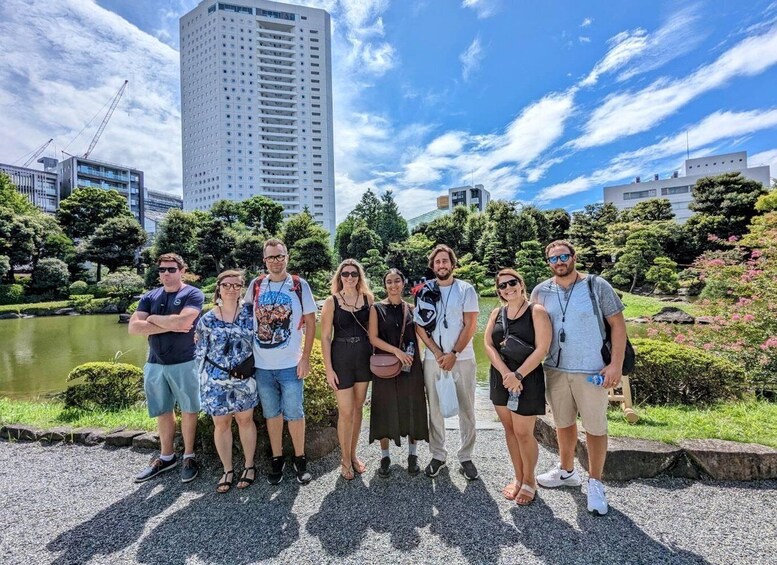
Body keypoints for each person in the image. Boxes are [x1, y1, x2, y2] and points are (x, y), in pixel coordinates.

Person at [530, 240, 627, 516]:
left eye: (563, 256)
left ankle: (595, 481)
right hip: (556, 368)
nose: (559, 262)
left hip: (592, 370)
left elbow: (618, 325)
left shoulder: (597, 286)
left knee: (595, 427)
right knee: (563, 423)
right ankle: (566, 470)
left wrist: (615, 365)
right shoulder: (541, 291)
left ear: (573, 257)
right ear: (548, 262)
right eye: (553, 258)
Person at [244, 238, 317, 485]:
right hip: (262, 365)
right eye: (270, 257)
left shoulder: (298, 285)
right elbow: (242, 317)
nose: (276, 261)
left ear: (287, 257)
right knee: (271, 414)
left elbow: (311, 322)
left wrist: (305, 358)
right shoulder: (256, 286)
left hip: (290, 363)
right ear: (264, 260)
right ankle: (277, 458)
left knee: (295, 413)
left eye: (279, 256)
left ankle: (300, 457)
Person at [129, 253, 204, 484]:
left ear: (182, 271)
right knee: (163, 410)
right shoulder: (150, 296)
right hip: (155, 363)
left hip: (185, 361)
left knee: (190, 409)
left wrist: (152, 321)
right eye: (162, 270)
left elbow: (184, 323)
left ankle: (189, 455)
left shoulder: (192, 293)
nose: (166, 274)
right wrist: (166, 322)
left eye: (171, 269)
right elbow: (133, 328)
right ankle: (166, 455)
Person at [484, 269, 551, 506]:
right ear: (498, 291)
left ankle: (529, 481)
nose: (508, 288)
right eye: (502, 286)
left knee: (524, 433)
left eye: (512, 283)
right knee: (510, 431)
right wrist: (505, 373)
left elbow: (542, 349)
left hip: (527, 378)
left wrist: (518, 374)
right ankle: (518, 476)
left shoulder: (537, 311)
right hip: (501, 377)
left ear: (522, 284)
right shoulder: (497, 312)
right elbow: (488, 344)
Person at [416, 245, 480, 480]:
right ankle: (438, 454)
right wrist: (437, 352)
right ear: (432, 266)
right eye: (437, 262)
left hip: (462, 358)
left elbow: (471, 324)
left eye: (445, 261)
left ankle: (466, 456)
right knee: (434, 407)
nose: (441, 265)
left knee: (467, 407)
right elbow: (420, 326)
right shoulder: (424, 291)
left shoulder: (466, 289)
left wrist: (453, 352)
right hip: (433, 359)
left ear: (453, 264)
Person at [195, 270, 258, 493]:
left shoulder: (250, 314)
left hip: (244, 377)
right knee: (221, 424)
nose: (231, 289)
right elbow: (200, 352)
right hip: (215, 379)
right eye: (227, 285)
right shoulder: (208, 318)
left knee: (245, 420)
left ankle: (249, 466)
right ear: (218, 288)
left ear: (242, 288)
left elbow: (261, 342)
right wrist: (202, 381)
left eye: (236, 285)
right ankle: (228, 469)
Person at [368, 269, 429, 477]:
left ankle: (413, 455)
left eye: (397, 281)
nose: (393, 285)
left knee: (412, 407)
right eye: (389, 281)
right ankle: (385, 456)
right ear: (384, 285)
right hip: (385, 366)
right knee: (384, 409)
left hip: (410, 367)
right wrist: (396, 351)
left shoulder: (412, 308)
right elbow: (373, 338)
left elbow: (422, 335)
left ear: (403, 283)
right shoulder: (376, 309)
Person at [320, 259, 373, 480]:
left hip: (363, 357)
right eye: (345, 274)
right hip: (341, 358)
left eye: (353, 274)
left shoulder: (369, 299)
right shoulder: (331, 302)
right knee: (346, 412)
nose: (349, 278)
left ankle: (353, 454)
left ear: (359, 276)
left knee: (359, 409)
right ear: (339, 277)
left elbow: (374, 331)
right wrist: (328, 369)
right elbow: (324, 337)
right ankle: (344, 459)